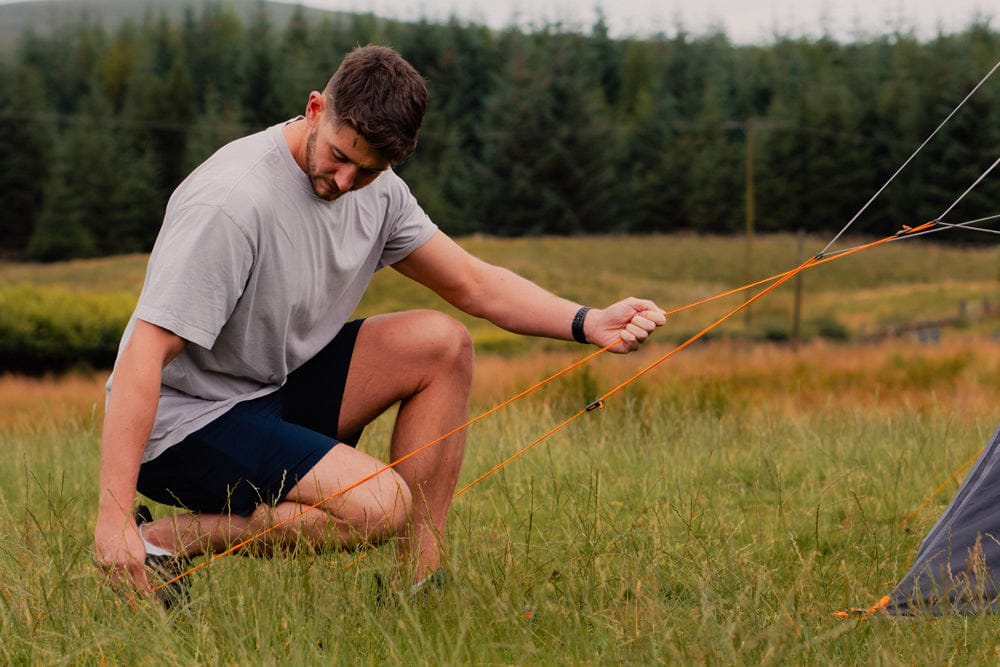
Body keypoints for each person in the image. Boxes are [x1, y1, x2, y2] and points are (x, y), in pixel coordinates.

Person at [93, 44, 666, 604]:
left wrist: (588, 321)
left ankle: (420, 587)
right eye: (339, 156)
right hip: (185, 425)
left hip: (271, 387)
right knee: (381, 507)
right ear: (316, 109)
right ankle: (159, 540)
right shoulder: (232, 203)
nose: (344, 181)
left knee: (441, 343)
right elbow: (144, 352)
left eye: (367, 169)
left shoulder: (380, 191)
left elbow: (473, 283)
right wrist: (112, 520)